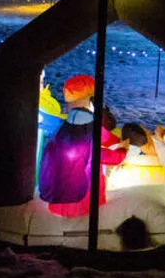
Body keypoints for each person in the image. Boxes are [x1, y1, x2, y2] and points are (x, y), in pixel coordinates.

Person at [38, 75, 128, 217]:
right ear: (91, 100)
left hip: (57, 199)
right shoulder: (91, 127)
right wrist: (123, 151)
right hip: (83, 202)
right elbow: (105, 154)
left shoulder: (61, 127)